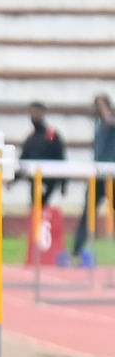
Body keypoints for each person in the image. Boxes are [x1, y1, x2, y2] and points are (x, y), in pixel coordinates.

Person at [72, 94, 115, 260]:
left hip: (112, 176)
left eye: (100, 106)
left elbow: (109, 120)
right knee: (88, 213)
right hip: (97, 176)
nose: (97, 109)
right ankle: (77, 250)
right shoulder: (97, 125)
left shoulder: (111, 120)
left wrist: (104, 107)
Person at [19, 103, 67, 207]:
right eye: (32, 112)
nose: (34, 116)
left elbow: (61, 157)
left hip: (49, 179)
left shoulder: (51, 135)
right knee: (35, 207)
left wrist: (63, 183)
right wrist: (14, 178)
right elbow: (23, 158)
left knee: (43, 206)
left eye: (36, 112)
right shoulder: (30, 137)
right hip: (34, 179)